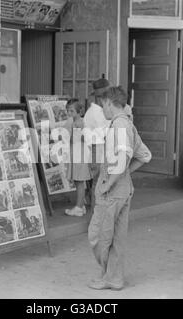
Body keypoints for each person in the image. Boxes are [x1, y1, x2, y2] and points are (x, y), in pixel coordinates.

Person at [87, 86, 151, 291]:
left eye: (102, 104)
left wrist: (110, 181)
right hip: (123, 189)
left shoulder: (119, 125)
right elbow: (145, 156)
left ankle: (109, 276)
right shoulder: (128, 124)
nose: (101, 108)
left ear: (108, 102)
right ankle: (114, 278)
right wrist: (123, 175)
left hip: (112, 192)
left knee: (97, 236)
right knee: (116, 238)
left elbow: (123, 156)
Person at [84, 78, 133, 214]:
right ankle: (97, 213)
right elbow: (99, 134)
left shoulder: (109, 110)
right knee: (99, 183)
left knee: (105, 181)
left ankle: (102, 212)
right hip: (98, 150)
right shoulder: (94, 112)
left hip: (106, 150)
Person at [64, 99, 92, 217]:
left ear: (79, 111)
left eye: (71, 111)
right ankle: (81, 205)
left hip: (79, 154)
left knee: (79, 181)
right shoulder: (77, 121)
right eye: (67, 110)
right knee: (79, 181)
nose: (69, 113)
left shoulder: (77, 123)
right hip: (78, 153)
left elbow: (75, 139)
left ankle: (79, 207)